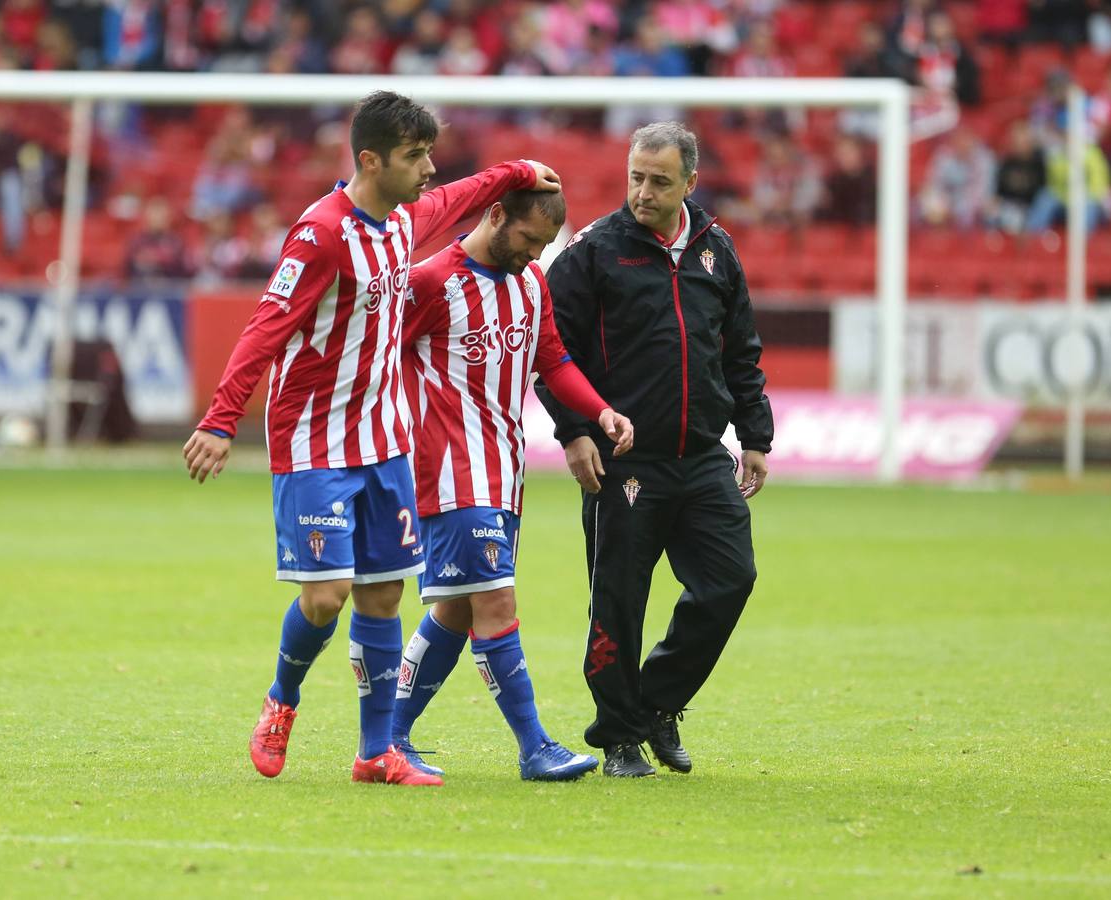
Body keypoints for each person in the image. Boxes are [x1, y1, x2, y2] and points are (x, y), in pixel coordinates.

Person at [182, 90, 560, 788]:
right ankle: (281, 700)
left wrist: (517, 170)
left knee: (383, 595)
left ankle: (375, 751)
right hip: (315, 439)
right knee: (326, 596)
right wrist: (219, 418)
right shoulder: (320, 234)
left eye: (428, 153)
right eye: (415, 156)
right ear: (370, 158)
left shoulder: (406, 220)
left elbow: (466, 192)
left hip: (384, 438)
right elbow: (265, 327)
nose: (428, 169)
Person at [535, 121, 773, 777]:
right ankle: (618, 739)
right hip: (623, 463)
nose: (642, 191)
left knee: (730, 581)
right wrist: (574, 431)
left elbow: (739, 353)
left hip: (700, 456)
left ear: (688, 183)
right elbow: (551, 354)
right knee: (617, 602)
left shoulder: (715, 251)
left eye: (659, 181)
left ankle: (657, 705)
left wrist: (754, 435)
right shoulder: (591, 254)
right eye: (635, 177)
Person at [388, 188, 634, 781]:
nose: (534, 254)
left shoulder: (530, 284)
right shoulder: (431, 283)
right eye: (528, 240)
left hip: (503, 470)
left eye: (544, 246)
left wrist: (600, 413)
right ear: (496, 215)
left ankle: (388, 738)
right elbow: (375, 354)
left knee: (454, 610)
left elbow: (554, 361)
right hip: (449, 472)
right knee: (496, 603)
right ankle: (535, 746)